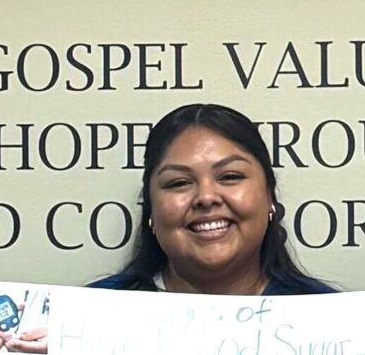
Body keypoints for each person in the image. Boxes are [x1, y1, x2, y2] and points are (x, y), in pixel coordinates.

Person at [94, 104, 335, 296]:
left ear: (270, 197)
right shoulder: (84, 318)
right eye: (179, 182)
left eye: (230, 177)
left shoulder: (335, 321)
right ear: (151, 212)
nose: (206, 197)